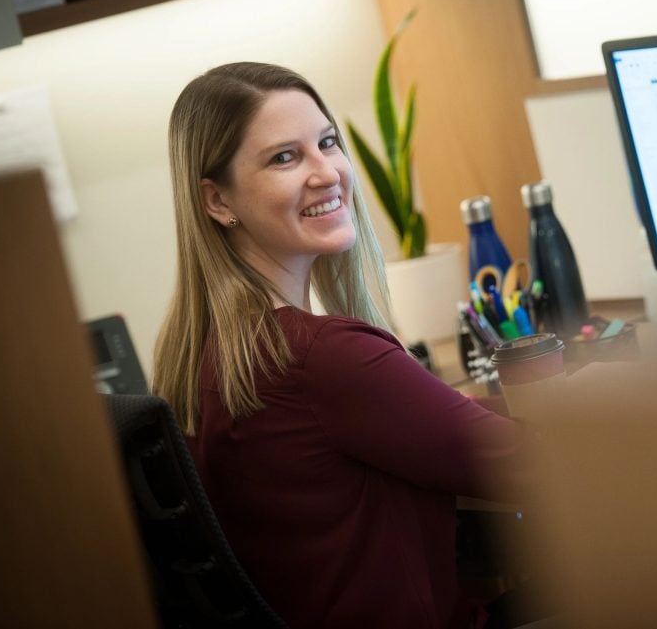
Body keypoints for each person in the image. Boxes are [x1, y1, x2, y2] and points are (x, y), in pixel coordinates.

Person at [153, 62, 535, 629]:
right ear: (217, 201)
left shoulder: (216, 356)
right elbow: (538, 469)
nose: (327, 172)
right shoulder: (320, 358)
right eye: (284, 157)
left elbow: (427, 421)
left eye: (328, 143)